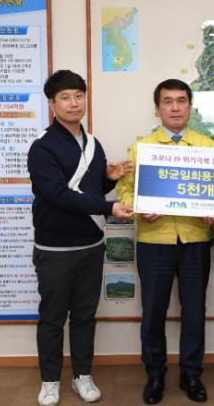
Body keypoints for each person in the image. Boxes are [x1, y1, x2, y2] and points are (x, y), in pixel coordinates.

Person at [27, 70, 134, 406]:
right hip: (54, 247)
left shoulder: (93, 144)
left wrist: (109, 179)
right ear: (52, 104)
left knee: (85, 315)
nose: (74, 103)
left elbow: (89, 192)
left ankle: (82, 375)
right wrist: (108, 206)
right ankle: (49, 381)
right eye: (65, 97)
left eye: (78, 95)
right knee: (52, 318)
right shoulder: (42, 147)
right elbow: (59, 195)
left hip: (91, 245)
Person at [116, 79, 214, 405]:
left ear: (190, 106)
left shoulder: (207, 145)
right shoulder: (142, 147)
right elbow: (125, 189)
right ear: (157, 108)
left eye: (181, 101)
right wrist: (139, 208)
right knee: (153, 312)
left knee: (194, 311)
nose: (175, 107)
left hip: (195, 239)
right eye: (168, 101)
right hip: (154, 240)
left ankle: (191, 374)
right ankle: (155, 374)